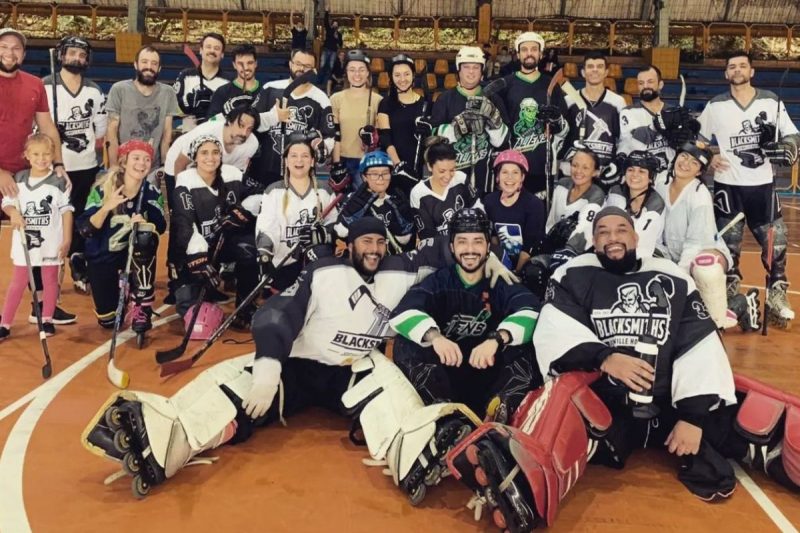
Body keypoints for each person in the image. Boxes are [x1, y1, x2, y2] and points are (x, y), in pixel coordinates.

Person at [81, 216, 517, 499]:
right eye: (365, 240)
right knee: (234, 383)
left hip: (354, 369)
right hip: (299, 366)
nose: (373, 248)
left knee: (394, 397)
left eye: (378, 241)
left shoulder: (400, 269)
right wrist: (269, 365)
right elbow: (277, 313)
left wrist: (494, 259)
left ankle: (416, 451)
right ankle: (165, 438)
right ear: (349, 244)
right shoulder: (326, 271)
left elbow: (456, 247)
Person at [448, 206, 800, 531]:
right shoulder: (573, 274)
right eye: (603, 232)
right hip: (607, 406)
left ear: (634, 237)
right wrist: (605, 357)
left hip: (669, 403)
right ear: (593, 240)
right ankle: (525, 482)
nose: (612, 237)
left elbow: (699, 338)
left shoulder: (670, 275)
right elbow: (555, 329)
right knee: (562, 398)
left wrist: (693, 417)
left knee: (756, 412)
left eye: (620, 230)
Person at [390, 208, 541, 420]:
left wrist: (497, 339)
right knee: (406, 344)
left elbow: (533, 311)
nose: (470, 249)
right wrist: (436, 337)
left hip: (489, 378)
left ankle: (501, 412)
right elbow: (403, 313)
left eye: (478, 241)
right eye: (462, 242)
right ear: (452, 246)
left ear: (488, 246)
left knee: (529, 345)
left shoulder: (500, 281)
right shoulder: (440, 281)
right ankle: (443, 415)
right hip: (445, 379)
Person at [698, 50, 799, 329]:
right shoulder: (715, 105)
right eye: (732, 66)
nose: (737, 70)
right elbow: (698, 142)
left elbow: (791, 134)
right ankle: (729, 297)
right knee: (728, 245)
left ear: (752, 71)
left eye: (743, 65)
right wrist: (709, 158)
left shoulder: (770, 100)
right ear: (726, 73)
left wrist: (788, 148)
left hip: (763, 186)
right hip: (728, 187)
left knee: (774, 244)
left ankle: (777, 296)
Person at [655, 141, 759, 331]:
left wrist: (680, 277)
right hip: (672, 252)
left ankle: (738, 307)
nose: (686, 163)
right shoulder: (661, 182)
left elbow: (695, 244)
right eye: (684, 156)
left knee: (706, 270)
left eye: (694, 163)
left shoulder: (699, 195)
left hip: (702, 253)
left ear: (699, 172)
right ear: (676, 156)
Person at [170, 136, 259, 330]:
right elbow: (184, 223)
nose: (210, 158)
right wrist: (198, 256)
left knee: (249, 249)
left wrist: (244, 211)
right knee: (190, 305)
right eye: (204, 153)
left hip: (226, 242)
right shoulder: (186, 181)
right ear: (195, 157)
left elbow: (259, 195)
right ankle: (205, 285)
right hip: (198, 250)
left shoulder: (233, 174)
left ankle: (245, 309)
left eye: (215, 152)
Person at [42, 36, 107, 295]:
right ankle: (45, 271)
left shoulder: (94, 90)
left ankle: (78, 264)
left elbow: (100, 129)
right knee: (52, 219)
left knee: (81, 218)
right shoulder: (44, 87)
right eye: (72, 53)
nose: (77, 59)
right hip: (52, 167)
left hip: (85, 166)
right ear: (61, 55)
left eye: (81, 55)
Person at [77, 140, 166, 333]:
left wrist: (144, 221)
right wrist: (106, 207)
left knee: (145, 236)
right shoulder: (102, 189)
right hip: (103, 254)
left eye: (147, 159)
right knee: (109, 322)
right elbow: (85, 230)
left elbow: (161, 226)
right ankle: (121, 292)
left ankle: (142, 302)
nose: (142, 164)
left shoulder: (151, 192)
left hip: (133, 256)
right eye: (136, 158)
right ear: (124, 162)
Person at [0, 134, 73, 339]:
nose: (42, 158)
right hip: (25, 241)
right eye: (36, 154)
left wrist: (67, 239)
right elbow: (7, 202)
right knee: (19, 281)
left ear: (53, 155)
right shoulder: (19, 179)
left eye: (47, 154)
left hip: (51, 241)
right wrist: (13, 213)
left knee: (50, 279)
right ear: (27, 156)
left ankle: (47, 319)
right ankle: (5, 323)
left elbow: (67, 212)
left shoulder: (59, 181)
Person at [255, 134, 338, 293]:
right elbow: (267, 227)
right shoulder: (273, 191)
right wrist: (265, 254)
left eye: (305, 156)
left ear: (312, 161)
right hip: (283, 261)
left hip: (314, 260)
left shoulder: (324, 190)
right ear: (286, 161)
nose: (299, 161)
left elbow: (334, 224)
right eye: (294, 156)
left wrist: (323, 234)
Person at [490, 32, 568, 195]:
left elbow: (564, 126)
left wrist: (556, 120)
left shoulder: (551, 85)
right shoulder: (506, 84)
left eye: (534, 49)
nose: (529, 53)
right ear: (518, 54)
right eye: (524, 49)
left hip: (542, 164)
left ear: (540, 54)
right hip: (513, 166)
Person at [521, 148, 605, 299]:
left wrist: (563, 255)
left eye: (585, 167)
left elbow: (583, 233)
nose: (578, 171)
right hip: (553, 246)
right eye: (575, 165)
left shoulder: (596, 195)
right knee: (532, 271)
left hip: (578, 253)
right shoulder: (562, 184)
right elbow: (551, 221)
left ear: (595, 172)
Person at [251, 48, 335, 191]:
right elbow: (252, 123)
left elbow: (329, 137)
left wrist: (322, 147)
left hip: (300, 172)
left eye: (307, 66)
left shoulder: (321, 99)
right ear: (290, 64)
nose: (302, 69)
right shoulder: (270, 89)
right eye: (298, 63)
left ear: (314, 69)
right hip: (265, 168)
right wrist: (272, 116)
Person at [430, 46, 508, 196]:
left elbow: (502, 142)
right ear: (459, 70)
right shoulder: (445, 99)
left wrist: (493, 120)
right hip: (452, 179)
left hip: (485, 178)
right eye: (466, 67)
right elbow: (433, 136)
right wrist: (458, 128)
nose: (471, 72)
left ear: (482, 71)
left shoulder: (494, 99)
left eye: (476, 67)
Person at [163, 106, 259, 212]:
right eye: (241, 125)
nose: (244, 133)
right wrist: (183, 198)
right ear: (230, 121)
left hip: (213, 169)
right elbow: (180, 163)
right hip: (180, 163)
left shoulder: (251, 144)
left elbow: (234, 176)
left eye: (249, 129)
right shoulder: (205, 133)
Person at [618, 64, 698, 182]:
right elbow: (639, 140)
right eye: (641, 83)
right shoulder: (628, 112)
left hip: (670, 178)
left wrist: (686, 134)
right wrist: (659, 123)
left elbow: (685, 146)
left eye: (650, 82)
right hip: (641, 178)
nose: (645, 86)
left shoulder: (674, 112)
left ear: (660, 84)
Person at [559, 51, 626, 190]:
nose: (595, 70)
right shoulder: (569, 100)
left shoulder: (618, 102)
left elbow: (623, 139)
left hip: (605, 172)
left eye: (599, 66)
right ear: (583, 72)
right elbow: (560, 136)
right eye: (590, 66)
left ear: (606, 71)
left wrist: (618, 163)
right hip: (574, 173)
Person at [106, 46, 180, 171]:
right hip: (124, 165)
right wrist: (114, 166)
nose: (149, 67)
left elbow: (167, 134)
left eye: (154, 63)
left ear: (159, 68)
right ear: (136, 65)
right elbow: (111, 132)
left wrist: (164, 165)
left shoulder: (168, 92)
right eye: (144, 62)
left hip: (153, 165)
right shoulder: (119, 89)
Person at [335, 150, 415, 253]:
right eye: (374, 174)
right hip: (362, 260)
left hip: (392, 261)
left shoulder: (397, 200)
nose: (380, 178)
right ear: (364, 177)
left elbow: (404, 241)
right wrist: (348, 219)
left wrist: (403, 226)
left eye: (385, 173)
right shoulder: (351, 200)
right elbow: (341, 233)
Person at [482, 149, 546, 273]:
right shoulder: (490, 201)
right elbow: (494, 238)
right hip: (503, 261)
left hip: (530, 263)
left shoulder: (534, 204)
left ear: (522, 177)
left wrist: (516, 275)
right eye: (504, 172)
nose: (509, 177)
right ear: (497, 177)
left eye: (515, 172)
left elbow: (529, 248)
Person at [409, 137, 483, 239]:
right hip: (439, 250)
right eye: (442, 171)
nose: (448, 176)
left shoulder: (460, 178)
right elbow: (427, 236)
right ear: (430, 166)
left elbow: (477, 207)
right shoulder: (418, 193)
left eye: (452, 170)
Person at [376, 53, 428, 196]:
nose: (402, 79)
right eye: (397, 75)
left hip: (417, 167)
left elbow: (431, 140)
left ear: (413, 75)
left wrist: (428, 131)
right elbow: (385, 138)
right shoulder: (385, 104)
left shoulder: (425, 104)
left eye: (406, 74)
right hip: (393, 167)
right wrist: (399, 165)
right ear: (391, 78)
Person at [330, 50, 382, 189]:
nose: (357, 74)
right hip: (343, 159)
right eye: (352, 70)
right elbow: (336, 133)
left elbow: (381, 134)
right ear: (346, 72)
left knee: (363, 205)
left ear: (367, 73)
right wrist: (336, 164)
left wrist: (373, 139)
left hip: (367, 160)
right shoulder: (336, 98)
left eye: (361, 70)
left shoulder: (378, 100)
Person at [605, 151, 666, 259]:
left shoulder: (656, 204)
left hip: (650, 252)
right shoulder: (616, 192)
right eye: (630, 170)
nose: (634, 175)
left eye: (641, 171)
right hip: (616, 247)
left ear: (651, 177)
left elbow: (643, 245)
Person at [173, 32, 229, 129]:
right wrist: (185, 103)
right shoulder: (186, 76)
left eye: (216, 48)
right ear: (201, 50)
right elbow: (171, 110)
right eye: (208, 47)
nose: (212, 51)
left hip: (217, 135)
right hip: (188, 134)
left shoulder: (229, 81)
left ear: (222, 54)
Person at [206, 44, 260, 119]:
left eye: (250, 63)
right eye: (240, 64)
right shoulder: (222, 92)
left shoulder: (266, 90)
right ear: (234, 65)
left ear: (256, 64)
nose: (246, 67)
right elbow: (211, 122)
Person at [317, 8, 343, 84]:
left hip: (334, 51)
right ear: (332, 25)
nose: (335, 25)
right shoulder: (329, 30)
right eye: (334, 23)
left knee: (330, 67)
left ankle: (327, 82)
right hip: (326, 49)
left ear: (338, 26)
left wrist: (337, 38)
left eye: (336, 24)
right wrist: (327, 12)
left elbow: (341, 44)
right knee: (322, 65)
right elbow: (325, 22)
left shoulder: (339, 34)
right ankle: (319, 81)